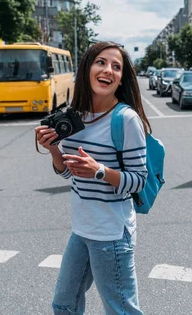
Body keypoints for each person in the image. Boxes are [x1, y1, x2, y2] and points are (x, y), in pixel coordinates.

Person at [35, 41, 151, 315]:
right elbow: (68, 172)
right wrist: (53, 147)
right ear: (88, 68)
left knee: (121, 311)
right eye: (101, 62)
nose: (108, 70)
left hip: (111, 232)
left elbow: (138, 180)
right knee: (64, 305)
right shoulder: (76, 116)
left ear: (121, 78)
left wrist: (99, 170)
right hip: (82, 230)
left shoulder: (126, 119)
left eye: (116, 66)